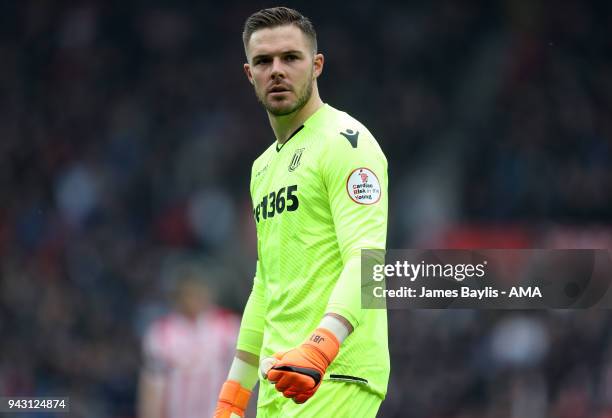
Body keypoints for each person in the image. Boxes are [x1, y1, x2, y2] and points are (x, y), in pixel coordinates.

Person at [214, 7, 389, 418]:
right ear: (249, 74)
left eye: (290, 58)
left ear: (316, 65)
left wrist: (322, 345)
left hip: (336, 373)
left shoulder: (347, 142)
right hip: (280, 381)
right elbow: (266, 286)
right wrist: (234, 394)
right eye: (264, 61)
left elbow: (368, 261)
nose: (277, 70)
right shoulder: (262, 168)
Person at [138, 268, 239, 418]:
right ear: (177, 297)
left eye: (198, 293)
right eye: (188, 294)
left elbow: (242, 379)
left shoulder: (228, 327)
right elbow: (152, 386)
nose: (193, 299)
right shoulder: (162, 333)